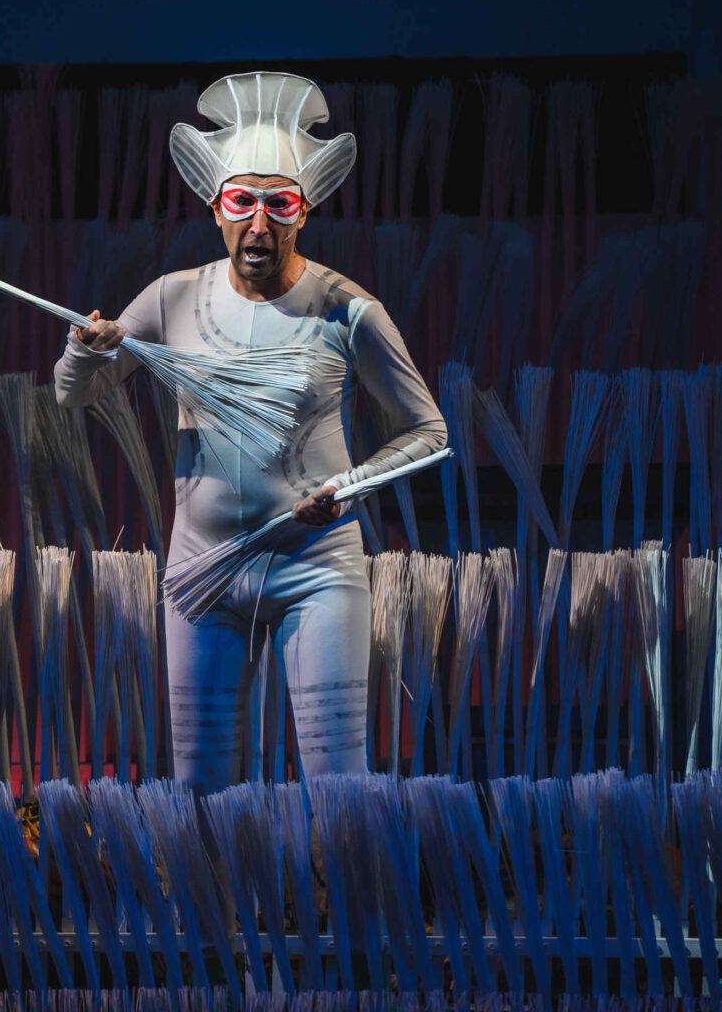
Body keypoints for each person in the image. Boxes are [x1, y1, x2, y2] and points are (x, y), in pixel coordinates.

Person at [54, 71, 446, 791]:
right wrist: (87, 346)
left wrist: (348, 487)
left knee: (338, 786)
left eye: (279, 204)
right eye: (242, 203)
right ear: (215, 208)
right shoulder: (172, 298)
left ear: (305, 212)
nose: (259, 226)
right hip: (202, 571)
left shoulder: (347, 309)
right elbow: (72, 393)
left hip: (316, 568)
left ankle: (336, 870)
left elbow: (428, 432)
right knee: (200, 788)